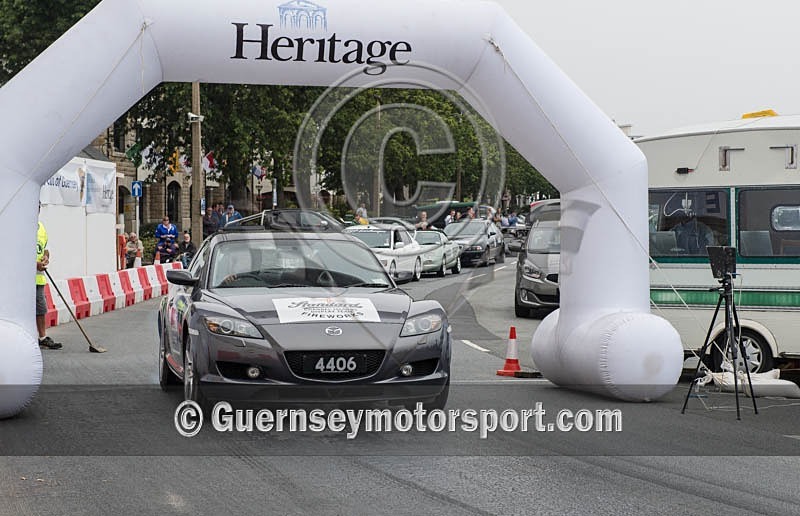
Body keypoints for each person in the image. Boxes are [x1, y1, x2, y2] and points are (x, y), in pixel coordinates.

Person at [36, 207, 62, 350]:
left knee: (41, 309)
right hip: (23, 279)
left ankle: (42, 337)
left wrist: (46, 257)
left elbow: (46, 248)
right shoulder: (21, 227)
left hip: (38, 278)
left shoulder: (41, 227)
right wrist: (35, 264)